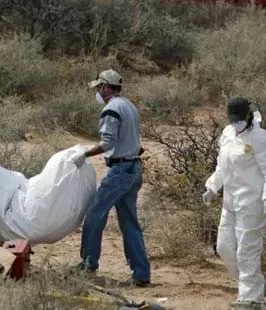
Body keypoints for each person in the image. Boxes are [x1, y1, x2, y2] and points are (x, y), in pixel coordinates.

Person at [70, 69, 151, 287]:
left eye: (98, 87)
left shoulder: (111, 109)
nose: (97, 91)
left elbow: (107, 143)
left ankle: (88, 264)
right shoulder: (129, 105)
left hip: (120, 171)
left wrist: (84, 154)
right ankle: (141, 273)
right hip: (133, 167)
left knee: (95, 214)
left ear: (106, 87)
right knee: (129, 223)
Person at [202, 97, 266, 309]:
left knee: (247, 251)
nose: (236, 123)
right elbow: (222, 166)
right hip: (230, 201)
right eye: (232, 119)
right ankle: (257, 285)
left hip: (253, 202)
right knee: (224, 247)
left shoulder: (260, 137)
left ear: (248, 115)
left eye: (239, 119)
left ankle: (251, 299)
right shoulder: (227, 134)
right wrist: (212, 187)